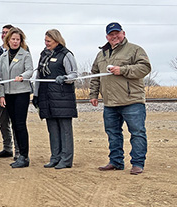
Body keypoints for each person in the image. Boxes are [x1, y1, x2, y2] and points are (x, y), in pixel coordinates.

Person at [90, 22, 151, 175]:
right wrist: (93, 94)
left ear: (123, 33)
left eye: (117, 33)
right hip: (110, 102)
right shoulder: (101, 54)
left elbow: (145, 67)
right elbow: (95, 75)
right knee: (113, 133)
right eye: (111, 34)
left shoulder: (135, 50)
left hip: (132, 101)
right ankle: (116, 161)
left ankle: (137, 164)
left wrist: (122, 70)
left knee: (137, 133)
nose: (114, 36)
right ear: (107, 36)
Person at [32, 29, 78, 169]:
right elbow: (39, 76)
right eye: (45, 41)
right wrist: (36, 94)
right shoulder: (44, 55)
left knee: (65, 129)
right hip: (47, 98)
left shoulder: (66, 54)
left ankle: (66, 158)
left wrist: (65, 78)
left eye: (49, 41)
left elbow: (74, 74)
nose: (46, 44)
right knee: (52, 129)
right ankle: (55, 157)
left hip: (62, 98)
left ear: (57, 40)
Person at [0, 27, 34, 168]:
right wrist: (1, 95)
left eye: (18, 39)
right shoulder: (3, 56)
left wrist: (22, 77)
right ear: (8, 40)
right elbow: (0, 78)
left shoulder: (25, 55)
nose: (15, 41)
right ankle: (19, 156)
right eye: (13, 39)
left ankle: (24, 156)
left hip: (21, 93)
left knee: (20, 125)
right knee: (13, 125)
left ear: (21, 41)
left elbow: (30, 70)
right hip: (8, 94)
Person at [0, 24, 20, 160]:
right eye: (2, 32)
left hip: (15, 91)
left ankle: (19, 150)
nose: (4, 35)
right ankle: (7, 148)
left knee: (16, 121)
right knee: (3, 121)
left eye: (7, 32)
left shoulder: (22, 50)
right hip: (1, 90)